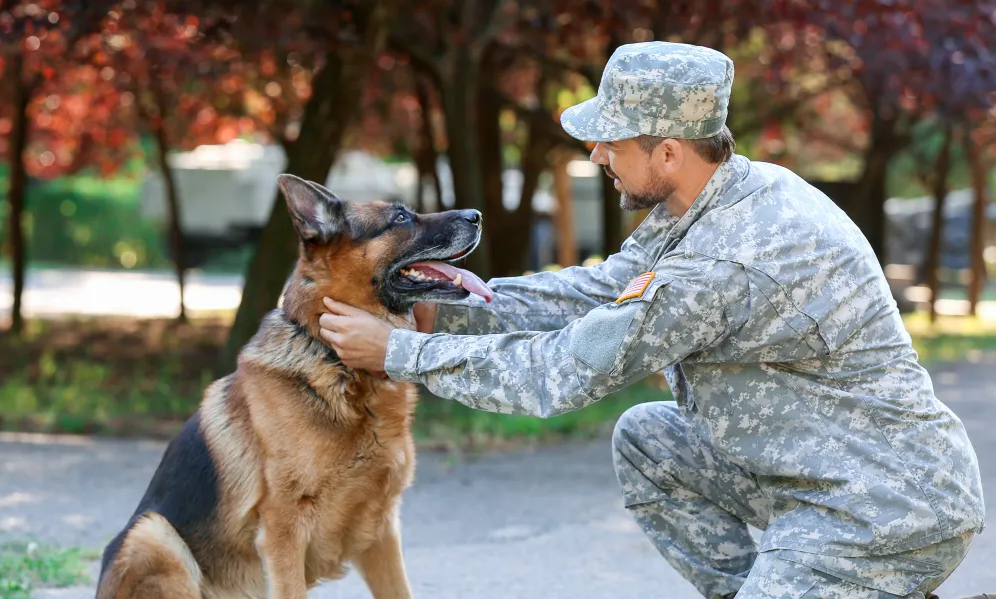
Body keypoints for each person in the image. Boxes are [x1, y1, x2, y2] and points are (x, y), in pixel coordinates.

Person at [317, 41, 987, 599]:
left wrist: (398, 353)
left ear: (667, 152)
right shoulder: (710, 202)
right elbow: (600, 291)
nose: (595, 156)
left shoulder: (723, 261)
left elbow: (562, 373)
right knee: (650, 437)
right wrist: (444, 311)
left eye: (609, 141)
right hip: (810, 478)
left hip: (883, 509)